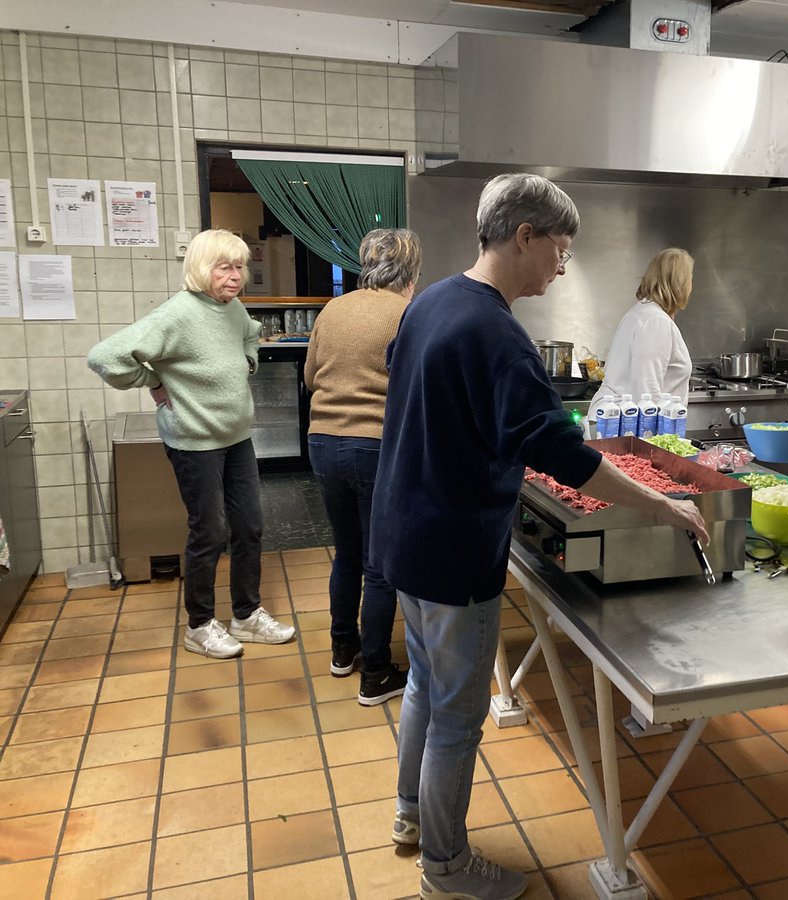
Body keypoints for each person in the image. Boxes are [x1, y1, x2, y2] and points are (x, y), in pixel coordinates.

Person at [370, 173, 709, 900]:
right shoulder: (498, 334)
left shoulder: (431, 301)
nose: (561, 265)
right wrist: (659, 503)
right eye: (560, 249)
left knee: (426, 685)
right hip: (455, 548)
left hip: (403, 530)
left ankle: (411, 815)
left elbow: (432, 398)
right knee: (458, 717)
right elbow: (565, 455)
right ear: (524, 236)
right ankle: (446, 868)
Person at [88, 229, 295, 659]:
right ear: (202, 269)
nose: (236, 276)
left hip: (237, 436)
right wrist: (153, 380)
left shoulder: (233, 308)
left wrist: (248, 360)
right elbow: (105, 357)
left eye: (240, 267)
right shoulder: (177, 313)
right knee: (210, 531)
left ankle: (246, 615)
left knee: (250, 526)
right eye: (225, 268)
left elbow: (251, 333)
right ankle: (199, 625)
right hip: (194, 441)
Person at [304, 228, 420, 704]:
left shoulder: (333, 309)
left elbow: (311, 377)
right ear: (409, 270)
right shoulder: (407, 314)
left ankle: (342, 650)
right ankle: (375, 673)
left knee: (347, 553)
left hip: (322, 442)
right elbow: (418, 384)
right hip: (374, 445)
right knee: (379, 566)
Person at [586, 247, 694, 422]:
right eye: (690, 279)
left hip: (616, 420)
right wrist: (657, 435)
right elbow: (647, 391)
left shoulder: (643, 312)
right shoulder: (656, 321)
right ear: (680, 284)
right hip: (624, 425)